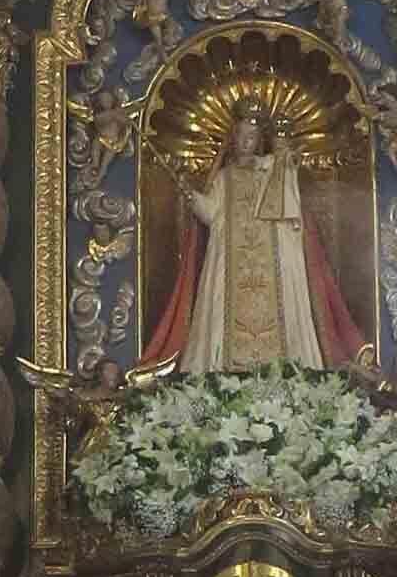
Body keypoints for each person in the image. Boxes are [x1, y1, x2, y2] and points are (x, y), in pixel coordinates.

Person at [140, 101, 368, 376]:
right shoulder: (225, 177)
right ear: (233, 140)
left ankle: (290, 369)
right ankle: (219, 371)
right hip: (230, 261)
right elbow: (212, 214)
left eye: (251, 137)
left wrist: (285, 151)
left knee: (283, 311)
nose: (245, 142)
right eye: (240, 137)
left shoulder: (271, 168)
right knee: (223, 310)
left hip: (275, 261)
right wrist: (191, 195)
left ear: (259, 141)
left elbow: (288, 174)